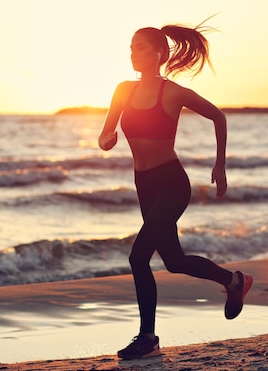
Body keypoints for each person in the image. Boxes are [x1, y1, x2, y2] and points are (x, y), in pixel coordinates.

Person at [98, 21, 253, 360]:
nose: (133, 53)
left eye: (139, 47)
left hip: (171, 183)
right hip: (145, 186)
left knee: (138, 257)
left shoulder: (173, 92)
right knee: (174, 261)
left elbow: (218, 116)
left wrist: (220, 164)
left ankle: (148, 338)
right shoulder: (122, 90)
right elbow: (106, 135)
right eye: (130, 47)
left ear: (158, 53)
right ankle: (233, 281)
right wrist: (106, 140)